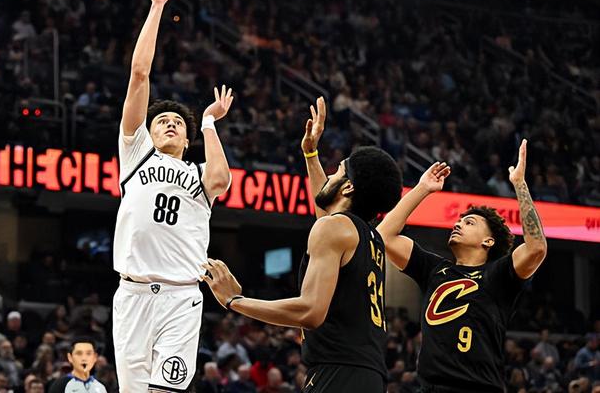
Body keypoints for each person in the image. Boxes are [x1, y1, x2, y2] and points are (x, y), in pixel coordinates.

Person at [203, 97, 403, 392]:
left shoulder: (336, 229)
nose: (330, 175)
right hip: (368, 375)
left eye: (338, 171)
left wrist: (236, 301)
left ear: (348, 186)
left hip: (338, 375)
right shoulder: (367, 236)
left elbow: (310, 311)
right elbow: (327, 213)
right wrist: (311, 153)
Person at [112, 0, 234, 392]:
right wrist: (157, 6)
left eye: (177, 123)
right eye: (161, 120)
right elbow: (139, 75)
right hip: (132, 295)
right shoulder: (136, 154)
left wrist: (208, 122)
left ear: (186, 138)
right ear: (149, 131)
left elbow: (222, 181)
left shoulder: (198, 174)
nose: (168, 124)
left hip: (181, 297)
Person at [377, 139, 548, 392]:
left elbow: (536, 248)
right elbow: (383, 237)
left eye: (469, 223)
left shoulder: (498, 275)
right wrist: (422, 189)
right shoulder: (434, 269)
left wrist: (520, 184)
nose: (458, 224)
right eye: (459, 221)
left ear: (488, 241)